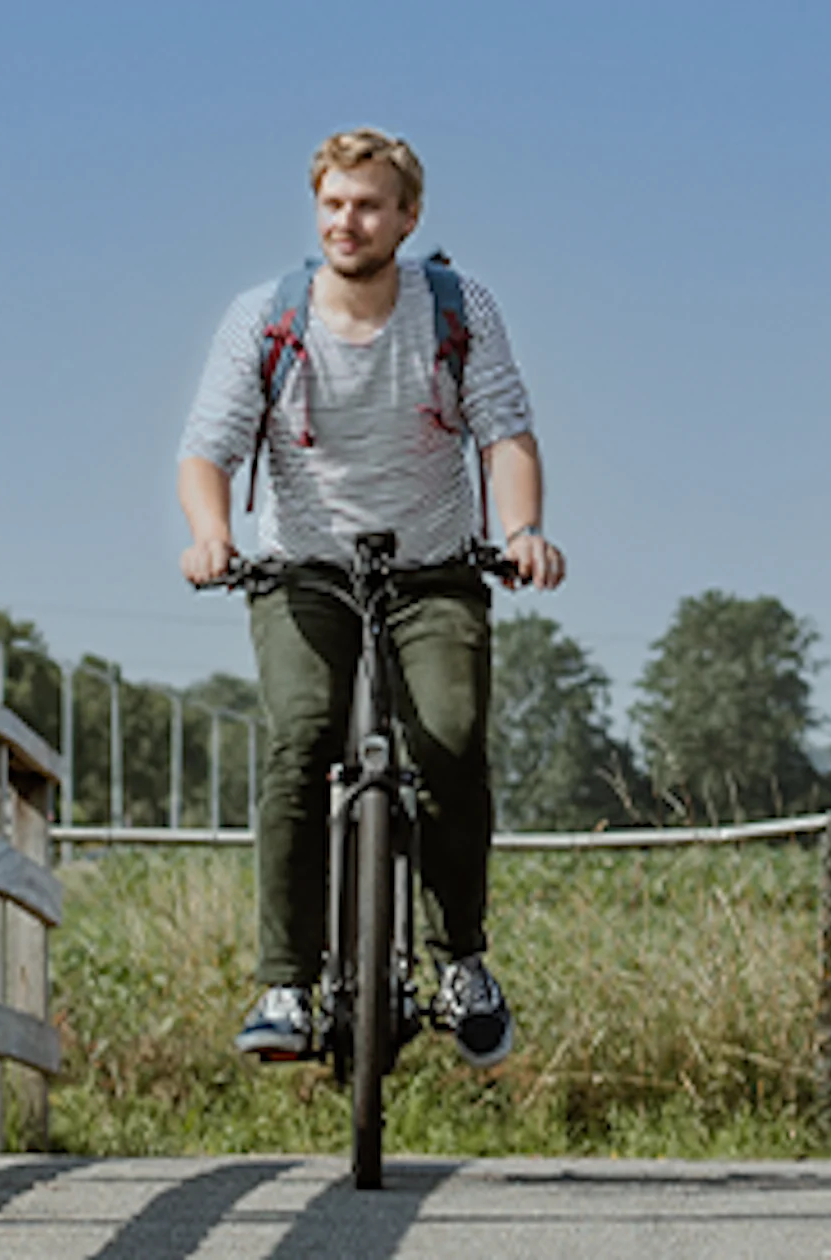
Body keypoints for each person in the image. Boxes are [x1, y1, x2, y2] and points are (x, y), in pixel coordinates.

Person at [177, 126, 565, 1068]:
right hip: (303, 570)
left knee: (451, 738)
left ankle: (461, 962)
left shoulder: (457, 308)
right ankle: (287, 985)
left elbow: (504, 432)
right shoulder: (266, 317)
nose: (347, 222)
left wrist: (522, 531)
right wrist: (212, 534)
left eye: (368, 206)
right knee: (301, 738)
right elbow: (207, 448)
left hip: (433, 567)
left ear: (407, 217)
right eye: (333, 205)